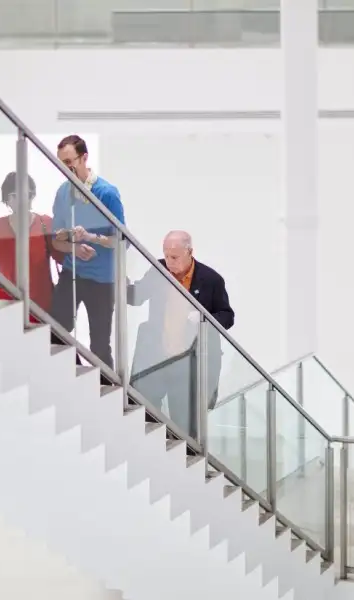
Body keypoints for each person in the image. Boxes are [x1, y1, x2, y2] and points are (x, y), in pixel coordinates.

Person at [128, 231, 234, 440]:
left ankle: (186, 466)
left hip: (187, 363)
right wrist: (115, 278)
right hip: (156, 360)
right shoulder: (159, 269)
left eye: (174, 257)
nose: (168, 262)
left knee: (183, 425)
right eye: (166, 255)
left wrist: (204, 319)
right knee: (144, 414)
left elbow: (227, 317)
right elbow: (137, 296)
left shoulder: (211, 280)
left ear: (190, 252)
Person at [51, 134, 124, 376]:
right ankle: (75, 379)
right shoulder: (62, 193)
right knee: (56, 329)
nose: (65, 167)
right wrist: (73, 246)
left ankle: (110, 398)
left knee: (100, 345)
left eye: (69, 161)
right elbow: (56, 241)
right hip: (73, 273)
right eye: (61, 162)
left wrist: (91, 238)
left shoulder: (107, 194)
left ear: (84, 158)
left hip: (103, 281)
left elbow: (121, 242)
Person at [0, 172, 65, 321]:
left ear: (32, 196)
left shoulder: (45, 223)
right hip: (9, 304)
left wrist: (69, 240)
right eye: (15, 195)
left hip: (42, 307)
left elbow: (62, 259)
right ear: (7, 199)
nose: (22, 200)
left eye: (27, 195)